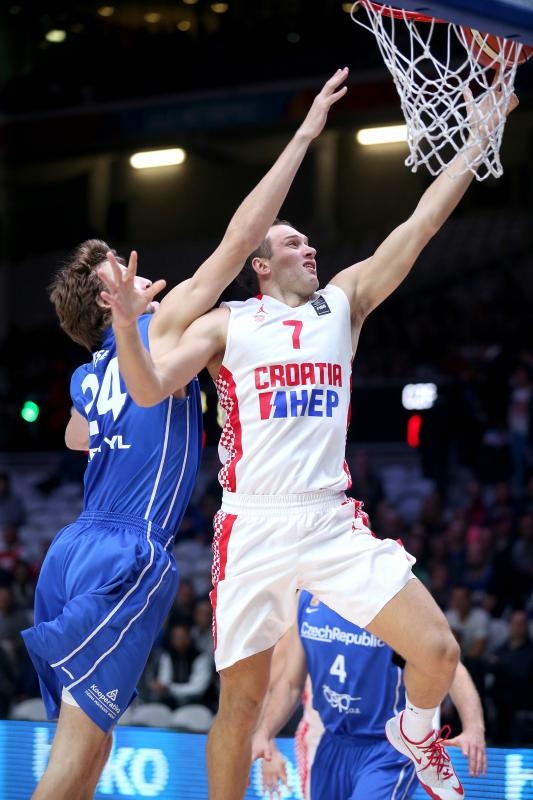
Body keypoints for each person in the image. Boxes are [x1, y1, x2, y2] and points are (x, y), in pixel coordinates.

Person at [102, 84, 518, 800]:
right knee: (242, 704)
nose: (310, 247)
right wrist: (122, 325)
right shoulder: (227, 322)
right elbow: (145, 388)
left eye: (309, 239)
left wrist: (478, 139)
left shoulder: (343, 303)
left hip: (329, 516)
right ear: (260, 264)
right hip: (253, 522)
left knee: (437, 649)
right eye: (293, 241)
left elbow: (419, 224)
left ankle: (415, 729)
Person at [20, 68, 348, 800]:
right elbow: (238, 242)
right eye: (123, 269)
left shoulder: (86, 378)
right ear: (112, 298)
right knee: (79, 747)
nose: (144, 275)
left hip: (71, 549)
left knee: (91, 745)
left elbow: (78, 437)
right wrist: (301, 137)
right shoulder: (156, 329)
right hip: (125, 553)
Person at [252, 591, 486, 800]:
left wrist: (473, 726)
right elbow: (291, 684)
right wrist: (265, 735)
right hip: (332, 742)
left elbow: (447, 662)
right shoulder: (306, 599)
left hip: (386, 748)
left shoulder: (391, 600)